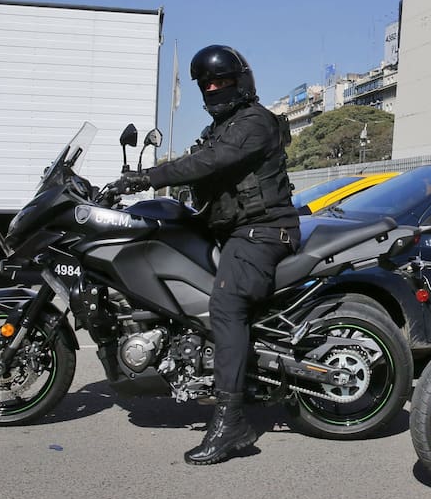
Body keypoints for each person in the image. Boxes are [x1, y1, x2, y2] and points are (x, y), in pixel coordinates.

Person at [115, 44, 301, 465]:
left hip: (264, 231)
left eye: (222, 81)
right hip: (231, 226)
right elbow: (197, 159)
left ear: (242, 81)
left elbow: (209, 163)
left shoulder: (256, 122)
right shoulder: (222, 126)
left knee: (227, 305)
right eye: (208, 84)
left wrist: (146, 177)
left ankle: (231, 420)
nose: (215, 88)